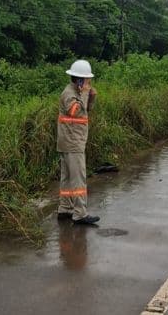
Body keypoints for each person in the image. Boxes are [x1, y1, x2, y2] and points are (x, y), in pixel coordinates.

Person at [57, 59, 100, 225]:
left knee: (67, 178)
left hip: (70, 141)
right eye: (87, 79)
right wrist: (83, 93)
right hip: (72, 143)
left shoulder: (77, 92)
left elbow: (85, 110)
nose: (89, 82)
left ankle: (65, 208)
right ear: (80, 79)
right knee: (78, 179)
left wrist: (90, 97)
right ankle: (80, 213)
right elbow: (74, 111)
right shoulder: (69, 93)